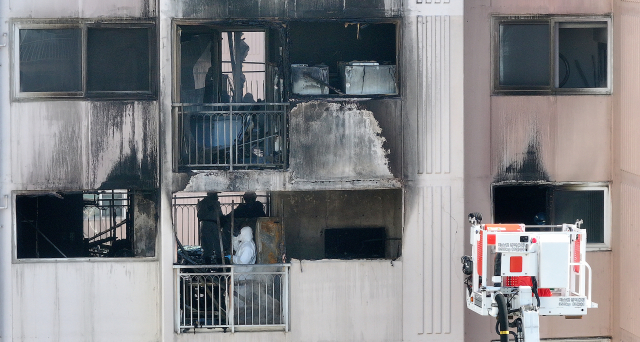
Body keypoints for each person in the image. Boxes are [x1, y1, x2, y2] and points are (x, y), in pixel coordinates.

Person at [197, 192, 228, 264]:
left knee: (219, 243)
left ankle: (220, 262)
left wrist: (223, 219)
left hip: (216, 224)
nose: (217, 196)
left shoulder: (217, 203)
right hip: (207, 224)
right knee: (207, 244)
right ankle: (207, 263)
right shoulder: (203, 203)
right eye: (215, 194)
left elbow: (219, 214)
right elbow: (200, 215)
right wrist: (208, 209)